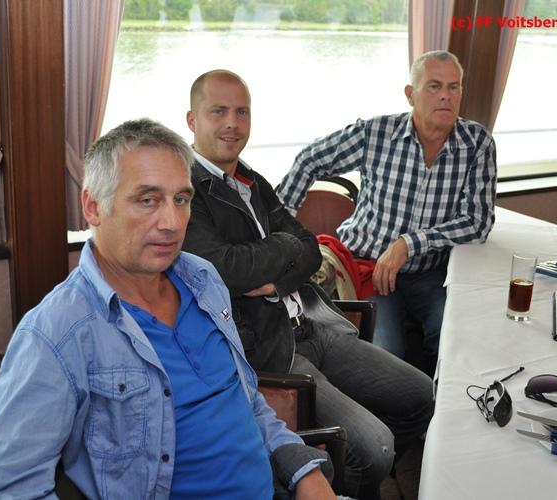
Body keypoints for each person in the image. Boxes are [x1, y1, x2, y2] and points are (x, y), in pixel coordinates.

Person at [0, 118, 337, 499]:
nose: (172, 223)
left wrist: (300, 467)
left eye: (181, 199)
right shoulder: (58, 332)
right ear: (93, 207)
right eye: (147, 200)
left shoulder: (203, 280)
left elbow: (245, 400)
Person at [182, 69, 434, 500]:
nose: (233, 124)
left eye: (242, 112)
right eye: (218, 112)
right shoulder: (186, 191)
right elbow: (228, 270)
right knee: (375, 447)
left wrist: (274, 278)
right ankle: (352, 473)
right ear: (192, 120)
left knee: (421, 394)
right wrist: (283, 249)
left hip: (312, 323)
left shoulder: (250, 179)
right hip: (272, 349)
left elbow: (311, 251)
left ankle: (350, 472)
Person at [276, 50, 497, 369]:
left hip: (430, 270)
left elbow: (478, 222)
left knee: (455, 342)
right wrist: (280, 230)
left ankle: (441, 400)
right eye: (434, 86)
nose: (446, 96)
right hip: (367, 263)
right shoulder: (376, 134)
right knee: (387, 353)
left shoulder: (477, 143)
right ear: (411, 94)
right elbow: (309, 160)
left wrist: (408, 244)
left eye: (454, 87)